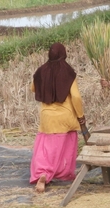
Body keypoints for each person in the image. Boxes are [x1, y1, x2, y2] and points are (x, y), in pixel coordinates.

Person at [29, 42, 87, 193]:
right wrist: (80, 116)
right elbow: (76, 97)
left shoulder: (41, 70)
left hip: (47, 117)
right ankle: (63, 173)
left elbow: (33, 88)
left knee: (45, 148)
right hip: (65, 117)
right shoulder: (68, 72)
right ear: (64, 54)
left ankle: (43, 173)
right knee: (65, 147)